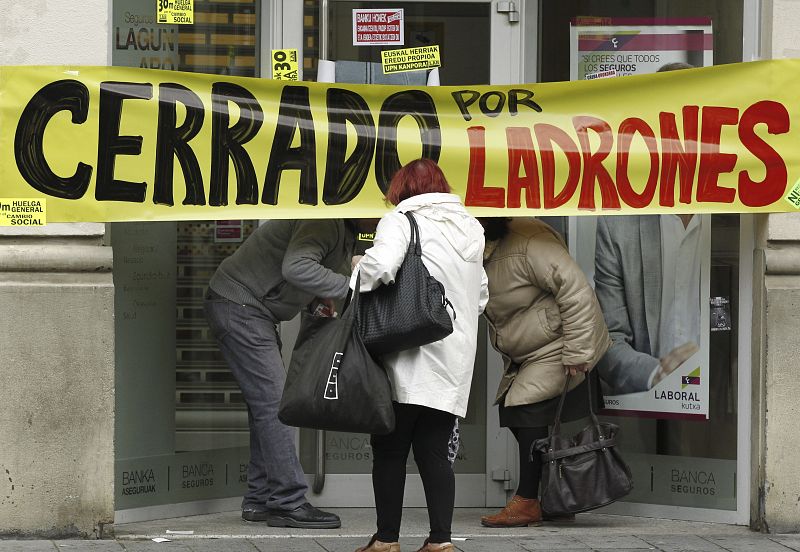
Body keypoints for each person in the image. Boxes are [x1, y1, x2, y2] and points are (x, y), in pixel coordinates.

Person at [352, 159, 488, 552]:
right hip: (454, 357)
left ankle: (386, 541)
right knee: (435, 451)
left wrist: (354, 271)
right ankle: (440, 542)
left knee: (390, 449)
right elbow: (481, 296)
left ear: (402, 189)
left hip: (408, 356)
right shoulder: (471, 227)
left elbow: (380, 267)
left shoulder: (400, 219)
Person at [204, 218, 359, 528]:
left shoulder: (347, 230)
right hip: (242, 307)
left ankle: (260, 498)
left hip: (249, 309)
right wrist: (350, 285)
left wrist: (319, 299)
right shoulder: (326, 222)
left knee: (265, 406)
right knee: (275, 406)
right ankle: (288, 501)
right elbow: (297, 267)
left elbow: (302, 273)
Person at [479, 217, 611, 528]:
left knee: (524, 411)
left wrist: (578, 350)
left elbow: (576, 290)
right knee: (523, 419)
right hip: (530, 350)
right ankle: (556, 498)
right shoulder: (483, 246)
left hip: (559, 343)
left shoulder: (528, 239)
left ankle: (527, 501)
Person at [593, 62, 702, 396]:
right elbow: (608, 341)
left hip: (729, 406)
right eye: (666, 124)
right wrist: (657, 374)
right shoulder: (618, 227)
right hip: (648, 403)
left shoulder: (737, 217)